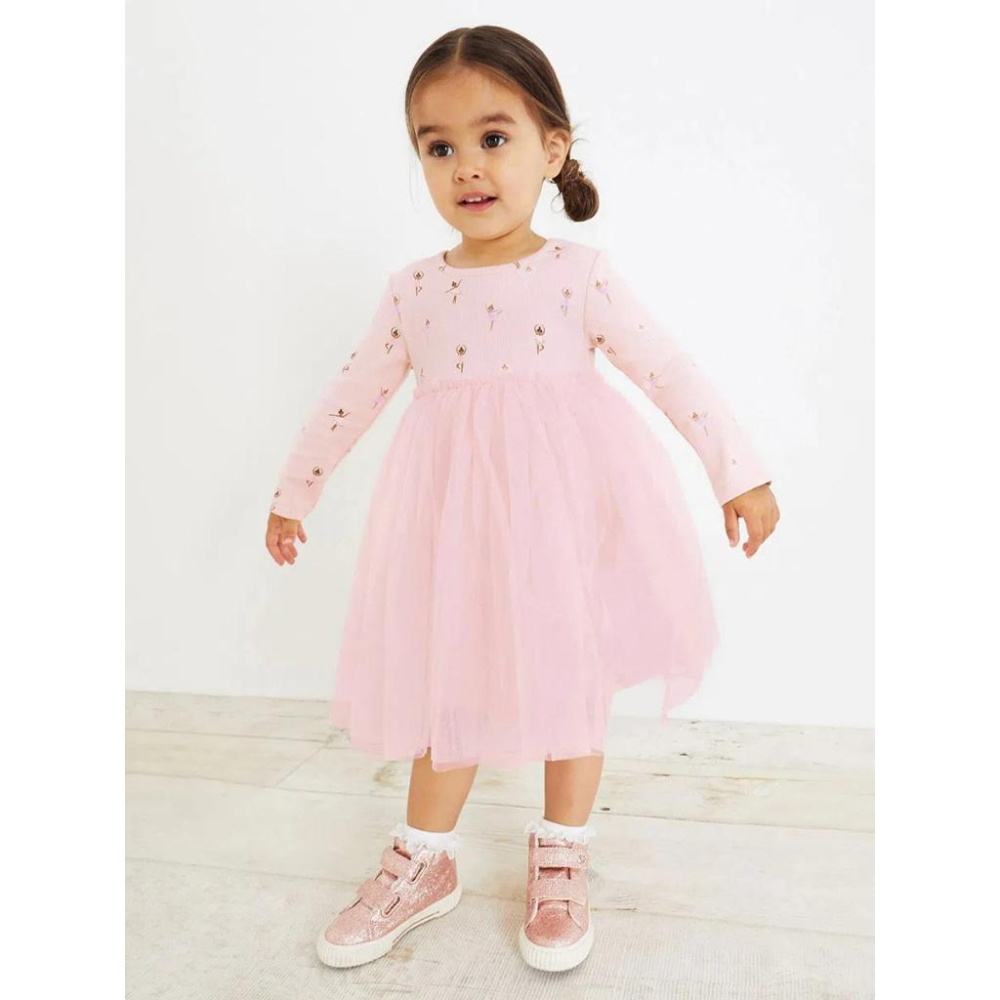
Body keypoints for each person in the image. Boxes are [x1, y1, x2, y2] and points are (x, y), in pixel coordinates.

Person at [264, 25, 780, 974]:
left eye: (493, 137)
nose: (467, 165)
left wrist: (735, 469)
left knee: (571, 676)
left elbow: (666, 369)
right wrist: (297, 488)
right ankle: (426, 858)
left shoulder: (579, 276)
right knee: (446, 681)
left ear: (552, 147)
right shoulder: (415, 291)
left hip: (564, 522)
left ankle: (562, 854)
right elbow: (352, 394)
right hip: (453, 531)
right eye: (438, 146)